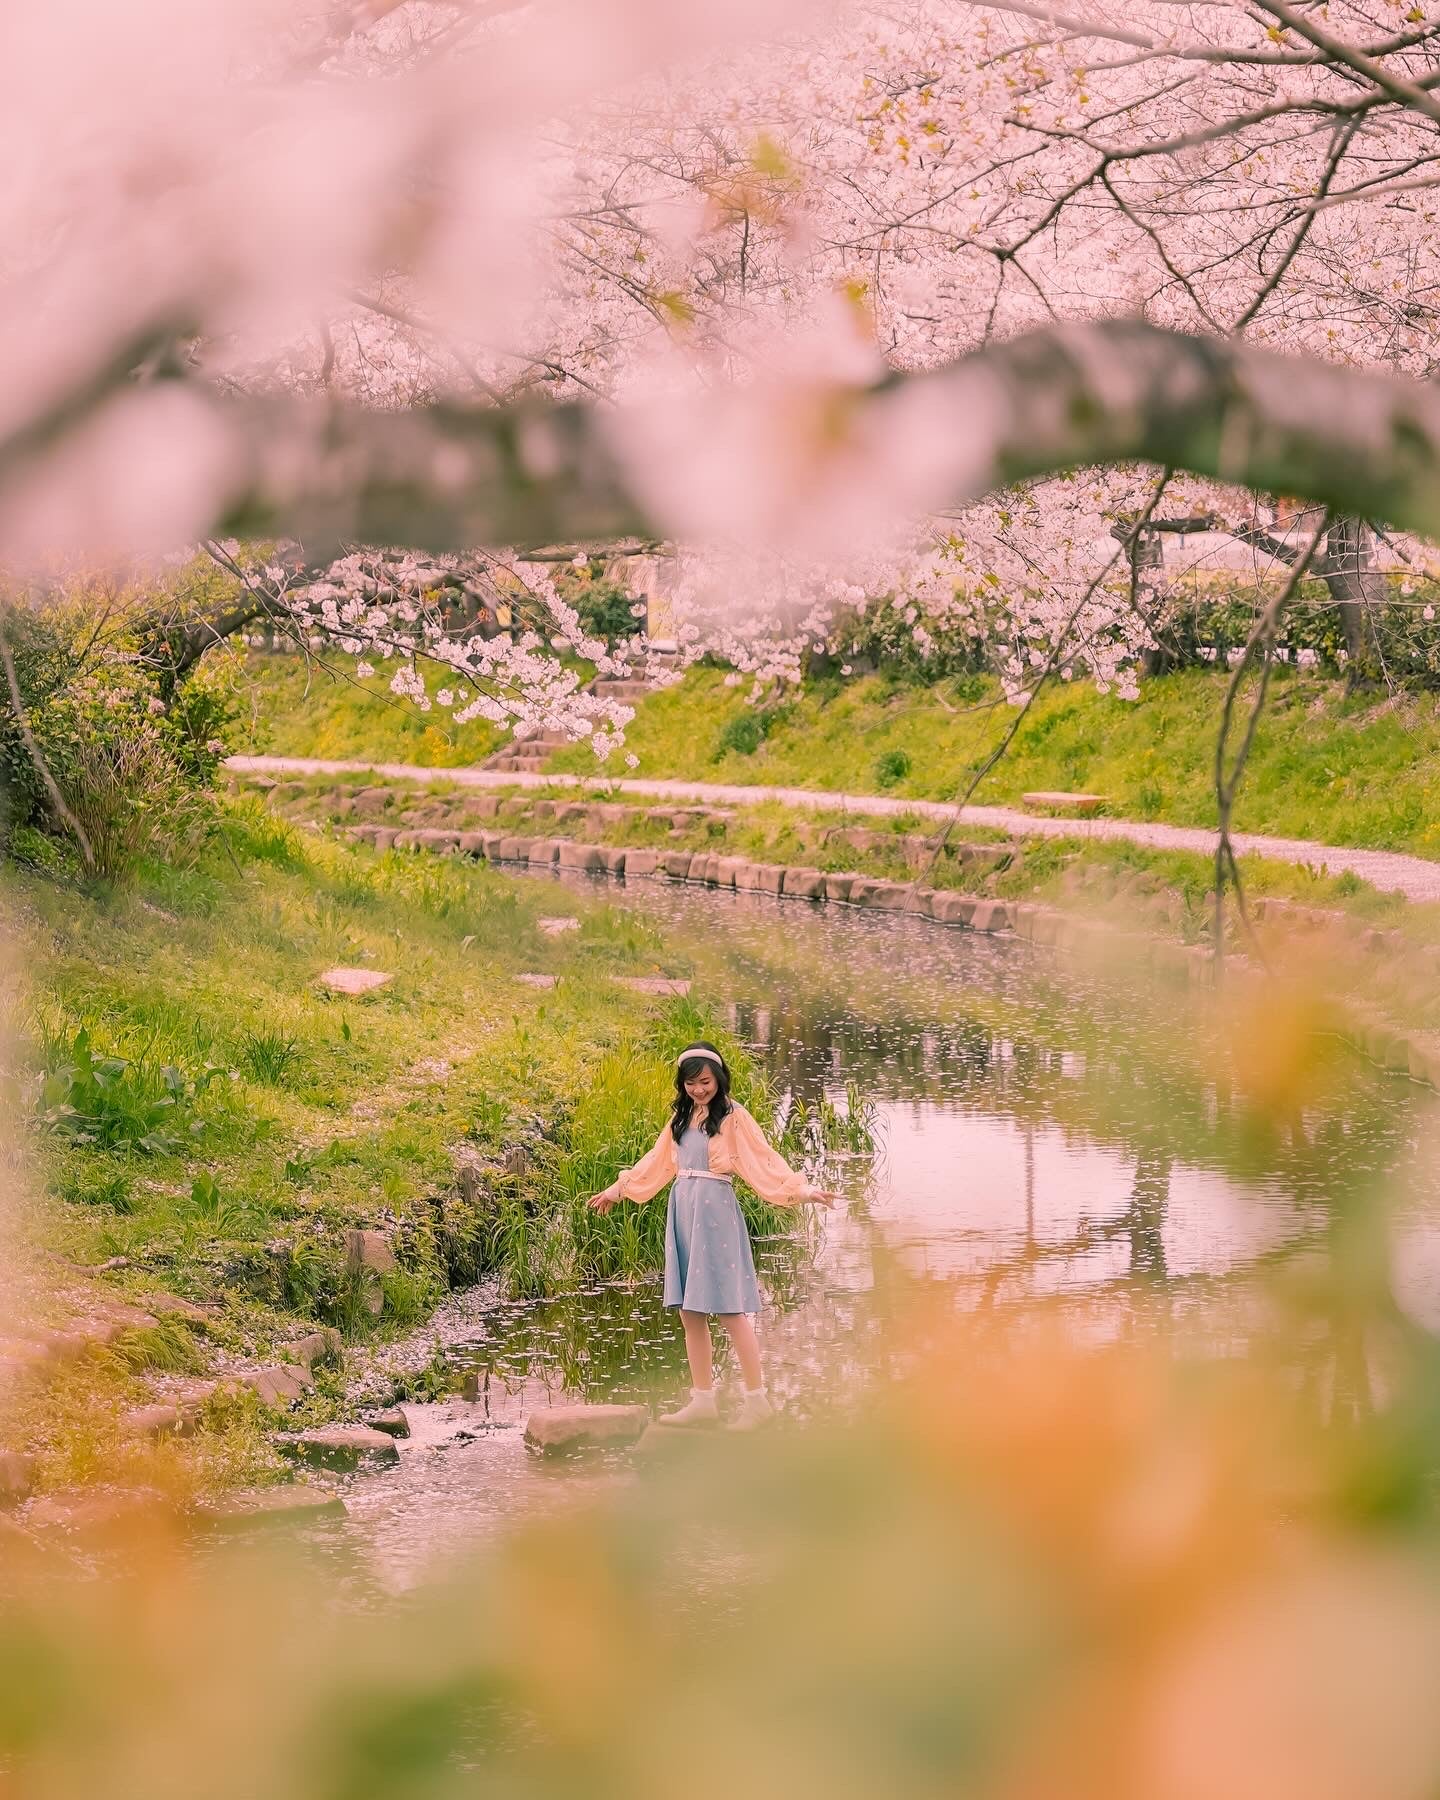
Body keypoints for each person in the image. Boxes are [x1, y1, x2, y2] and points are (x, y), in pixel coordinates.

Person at [588, 1041, 842, 1431]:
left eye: (705, 1082)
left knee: (729, 1311)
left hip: (715, 1212)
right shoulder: (681, 1115)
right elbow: (657, 1162)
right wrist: (617, 1190)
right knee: (690, 1312)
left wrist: (803, 1191)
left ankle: (757, 1402)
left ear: (718, 1079)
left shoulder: (733, 1116)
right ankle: (702, 1400)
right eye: (691, 1083)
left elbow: (764, 1160)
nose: (699, 1090)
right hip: (684, 1210)